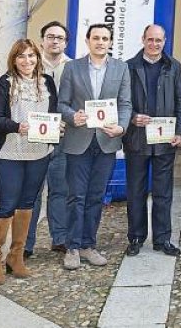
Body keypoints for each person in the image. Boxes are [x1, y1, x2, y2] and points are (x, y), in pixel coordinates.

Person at [0, 39, 59, 286]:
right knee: (6, 204)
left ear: (38, 57)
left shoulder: (47, 82)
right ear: (13, 60)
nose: (27, 61)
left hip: (38, 152)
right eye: (21, 57)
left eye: (31, 56)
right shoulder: (3, 84)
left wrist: (58, 127)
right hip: (8, 153)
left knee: (27, 203)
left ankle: (15, 257)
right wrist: (18, 126)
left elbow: (53, 113)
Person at [58, 24, 131, 268]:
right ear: (88, 41)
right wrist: (71, 116)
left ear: (110, 42)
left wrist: (121, 126)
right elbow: (62, 104)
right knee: (76, 196)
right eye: (96, 38)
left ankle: (88, 245)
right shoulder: (72, 67)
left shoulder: (121, 68)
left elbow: (125, 104)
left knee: (96, 196)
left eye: (105, 38)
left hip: (107, 141)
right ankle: (72, 247)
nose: (100, 42)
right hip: (78, 140)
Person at [124, 24, 181, 257]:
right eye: (150, 39)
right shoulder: (129, 67)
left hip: (165, 139)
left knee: (164, 192)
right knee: (136, 192)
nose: (154, 44)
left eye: (159, 40)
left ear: (165, 41)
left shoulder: (174, 66)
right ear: (143, 39)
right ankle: (136, 237)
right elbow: (121, 101)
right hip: (136, 139)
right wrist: (132, 118)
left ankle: (163, 239)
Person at [26, 21, 70, 258]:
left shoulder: (74, 67)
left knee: (60, 190)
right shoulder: (29, 64)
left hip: (64, 138)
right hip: (35, 138)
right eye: (50, 36)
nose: (55, 41)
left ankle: (60, 238)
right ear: (42, 39)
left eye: (60, 38)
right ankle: (26, 243)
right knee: (32, 192)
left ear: (66, 42)